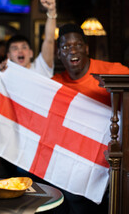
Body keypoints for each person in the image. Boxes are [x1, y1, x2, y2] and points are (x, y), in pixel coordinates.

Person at [49, 23, 129, 213]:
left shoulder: (111, 72)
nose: (72, 50)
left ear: (86, 49)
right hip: (69, 165)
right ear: (59, 54)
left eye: (77, 45)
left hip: (106, 162)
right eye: (66, 47)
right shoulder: (54, 84)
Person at [1, 0, 57, 78]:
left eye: (24, 47)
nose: (20, 51)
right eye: (15, 48)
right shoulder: (5, 75)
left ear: (31, 53)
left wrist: (52, 10)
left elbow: (49, 40)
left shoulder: (41, 67)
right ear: (9, 56)